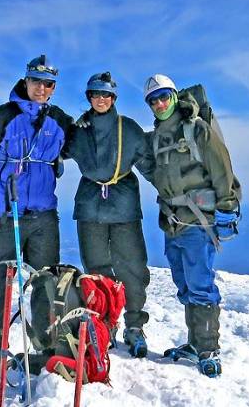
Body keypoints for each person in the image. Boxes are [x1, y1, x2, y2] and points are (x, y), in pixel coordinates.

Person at [0, 55, 73, 379]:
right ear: (25, 81)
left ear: (53, 88)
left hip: (44, 216)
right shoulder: (1, 117)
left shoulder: (60, 121)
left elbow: (86, 145)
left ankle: (44, 353)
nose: (41, 88)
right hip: (5, 215)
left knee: (45, 285)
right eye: (35, 81)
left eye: (48, 84)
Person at [142, 74, 241, 377]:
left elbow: (222, 170)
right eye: (153, 100)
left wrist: (227, 208)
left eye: (164, 97)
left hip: (199, 222)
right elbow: (158, 175)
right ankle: (195, 343)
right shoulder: (157, 137)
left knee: (200, 285)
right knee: (184, 283)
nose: (159, 104)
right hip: (173, 223)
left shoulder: (197, 131)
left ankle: (208, 348)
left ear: (174, 97)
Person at [64, 72, 154, 358]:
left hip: (124, 204)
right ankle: (105, 323)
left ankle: (134, 325)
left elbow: (150, 165)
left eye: (106, 95)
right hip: (90, 205)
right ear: (89, 98)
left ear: (113, 98)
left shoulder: (128, 129)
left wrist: (175, 196)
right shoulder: (79, 131)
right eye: (95, 94)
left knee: (132, 266)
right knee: (96, 267)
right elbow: (52, 150)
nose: (100, 99)